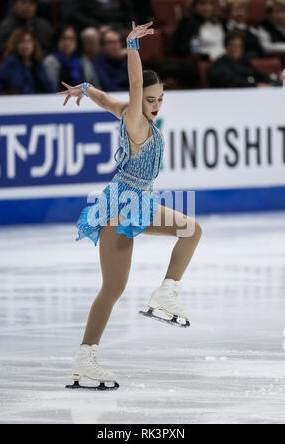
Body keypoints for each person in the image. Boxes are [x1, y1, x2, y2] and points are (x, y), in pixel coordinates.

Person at [58, 21, 203, 390]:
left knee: (191, 229)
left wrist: (86, 88)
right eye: (149, 99)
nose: (154, 105)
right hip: (122, 205)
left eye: (159, 100)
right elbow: (133, 87)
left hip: (138, 200)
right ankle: (85, 357)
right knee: (113, 288)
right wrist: (132, 47)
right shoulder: (136, 119)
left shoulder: (128, 112)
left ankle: (166, 292)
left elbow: (108, 100)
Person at [43, 25, 101, 92]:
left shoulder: (83, 60)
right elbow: (50, 89)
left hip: (85, 98)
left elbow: (95, 86)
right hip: (60, 99)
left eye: (71, 39)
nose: (67, 43)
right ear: (57, 40)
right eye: (63, 38)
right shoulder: (51, 61)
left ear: (76, 41)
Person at [0, 27, 54, 94]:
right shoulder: (11, 63)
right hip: (14, 101)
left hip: (36, 101)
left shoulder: (37, 63)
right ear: (15, 45)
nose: (26, 45)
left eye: (29, 41)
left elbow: (48, 86)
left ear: (34, 44)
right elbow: (18, 87)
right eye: (21, 42)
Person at [210, 31, 278, 88]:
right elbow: (232, 80)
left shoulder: (244, 62)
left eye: (238, 46)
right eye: (233, 46)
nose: (235, 49)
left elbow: (258, 74)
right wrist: (255, 85)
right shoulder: (220, 64)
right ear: (226, 47)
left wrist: (272, 82)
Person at [61, 0, 135, 33]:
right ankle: (92, 64)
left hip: (118, 24)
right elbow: (73, 14)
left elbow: (130, 12)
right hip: (92, 25)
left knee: (134, 33)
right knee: (90, 34)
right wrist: (97, 26)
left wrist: (129, 29)